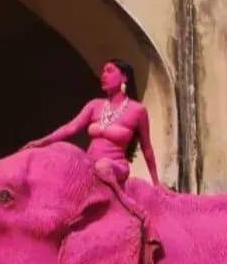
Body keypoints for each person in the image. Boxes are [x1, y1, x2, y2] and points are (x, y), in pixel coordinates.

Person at [22, 59, 163, 187]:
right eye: (102, 72)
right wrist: (42, 142)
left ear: (124, 77)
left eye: (109, 71)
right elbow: (70, 128)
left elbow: (147, 148)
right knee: (59, 152)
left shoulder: (138, 110)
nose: (104, 75)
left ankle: (122, 200)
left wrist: (156, 182)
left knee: (103, 166)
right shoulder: (95, 105)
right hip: (89, 163)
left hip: (114, 167)